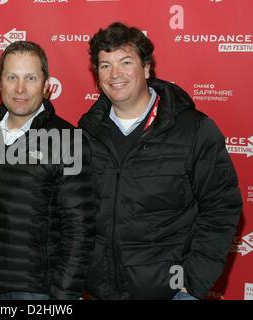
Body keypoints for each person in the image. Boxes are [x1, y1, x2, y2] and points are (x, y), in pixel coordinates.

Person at [78, 22, 242, 300]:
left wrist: (191, 284)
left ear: (146, 68)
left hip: (171, 292)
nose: (115, 74)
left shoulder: (194, 129)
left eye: (125, 62)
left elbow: (222, 209)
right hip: (102, 291)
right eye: (105, 66)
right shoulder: (86, 132)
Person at [0, 41, 95, 300]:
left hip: (38, 291)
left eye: (30, 78)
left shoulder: (67, 140)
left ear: (46, 84)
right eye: (12, 77)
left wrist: (64, 295)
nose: (20, 88)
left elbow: (79, 229)